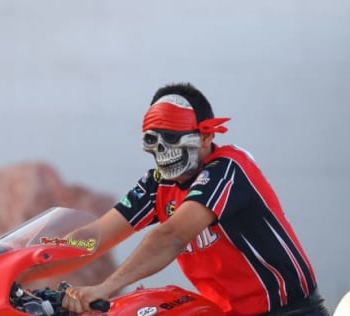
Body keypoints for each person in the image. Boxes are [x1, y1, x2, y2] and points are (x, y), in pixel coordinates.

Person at [61, 82, 329, 315]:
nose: (162, 150)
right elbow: (96, 234)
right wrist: (36, 257)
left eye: (172, 138)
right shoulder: (158, 182)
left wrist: (106, 287)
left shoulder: (228, 168)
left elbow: (172, 236)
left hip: (289, 312)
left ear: (206, 135)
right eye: (153, 140)